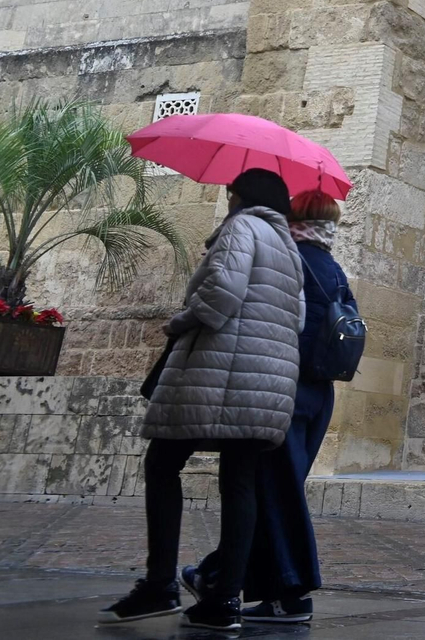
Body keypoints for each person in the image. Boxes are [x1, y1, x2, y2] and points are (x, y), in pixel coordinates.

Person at [100, 169, 304, 632]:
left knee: (162, 463)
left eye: (229, 191)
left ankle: (159, 585)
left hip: (218, 372)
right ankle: (223, 600)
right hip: (267, 381)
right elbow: (298, 316)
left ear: (239, 195)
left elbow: (221, 297)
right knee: (240, 481)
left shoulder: (240, 226)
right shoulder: (289, 248)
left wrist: (180, 320)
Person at [187, 190, 353, 623]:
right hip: (319, 393)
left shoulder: (289, 260)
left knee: (272, 490)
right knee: (274, 489)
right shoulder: (332, 268)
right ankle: (218, 573)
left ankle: (291, 593)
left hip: (285, 386)